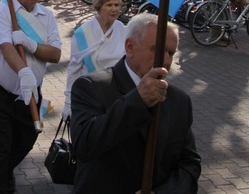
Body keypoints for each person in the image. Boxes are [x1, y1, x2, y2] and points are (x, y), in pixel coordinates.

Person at [70, 13, 201, 193]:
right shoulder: (92, 88)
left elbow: (190, 164)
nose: (166, 61)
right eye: (157, 50)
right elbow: (84, 146)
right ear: (130, 47)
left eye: (171, 52)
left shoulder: (179, 101)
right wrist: (137, 101)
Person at [0, 0, 62, 193]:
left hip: (31, 95)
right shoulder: (1, 12)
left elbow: (55, 55)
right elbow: (6, 48)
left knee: (27, 138)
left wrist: (32, 45)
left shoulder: (46, 16)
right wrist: (23, 71)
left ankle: (2, 174)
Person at [62, 0, 125, 120]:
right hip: (91, 97)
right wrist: (68, 102)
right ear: (99, 7)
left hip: (117, 97)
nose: (114, 9)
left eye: (117, 5)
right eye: (109, 5)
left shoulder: (123, 30)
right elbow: (74, 70)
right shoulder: (82, 33)